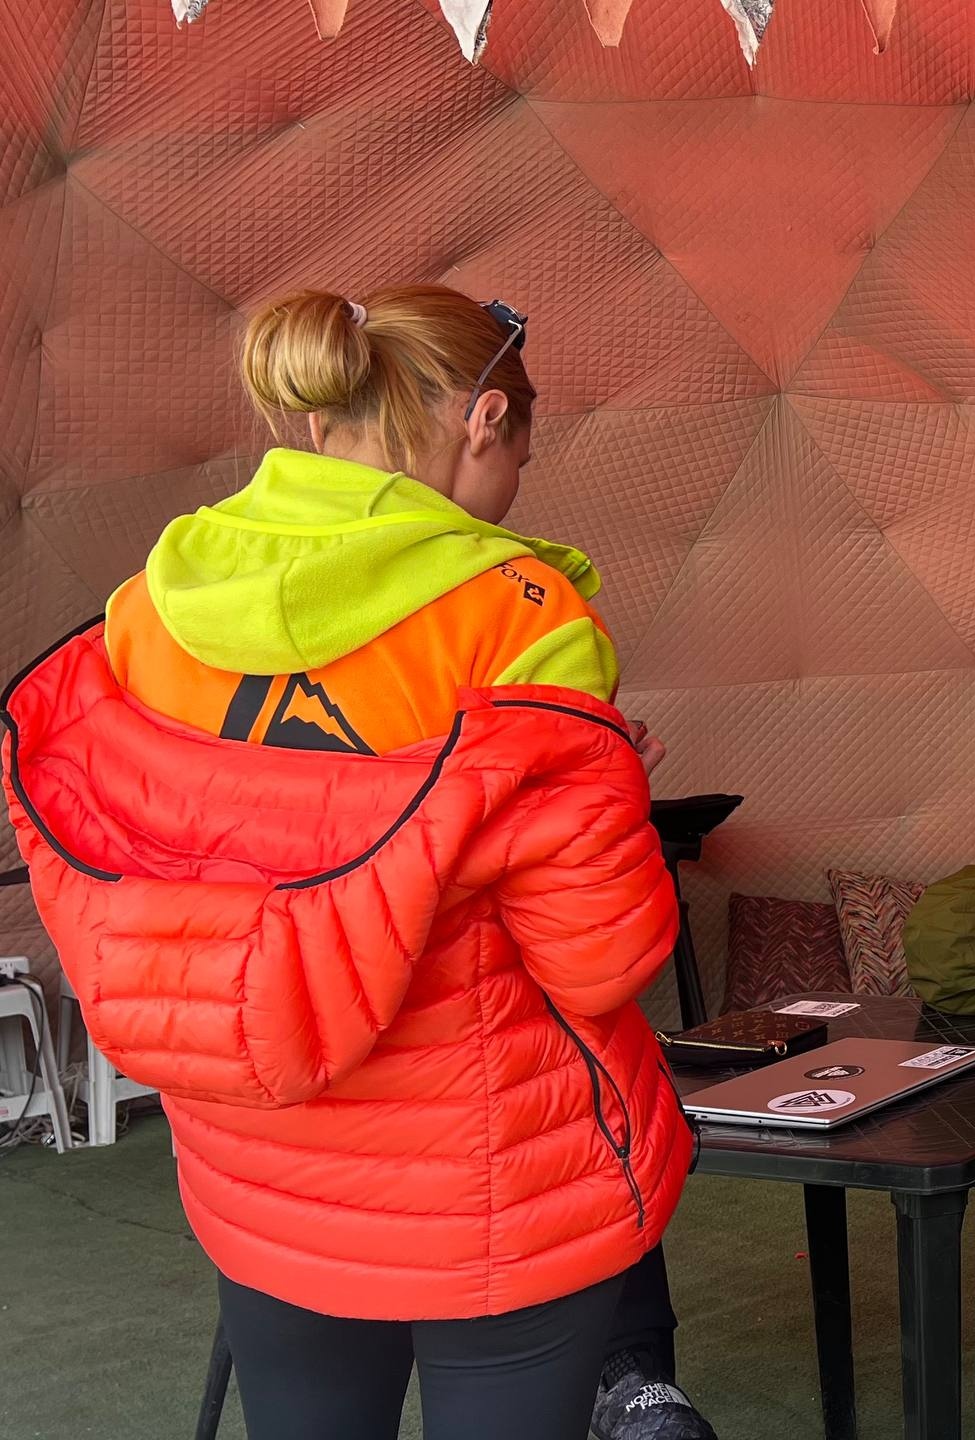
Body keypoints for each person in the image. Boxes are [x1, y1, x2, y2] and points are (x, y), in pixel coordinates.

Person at [0, 287, 716, 1439]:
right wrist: (605, 788)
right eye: (518, 460)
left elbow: (120, 878)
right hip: (489, 1182)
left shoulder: (154, 601)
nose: (511, 491)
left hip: (258, 1175)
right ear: (485, 420)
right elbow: (599, 959)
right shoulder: (518, 614)